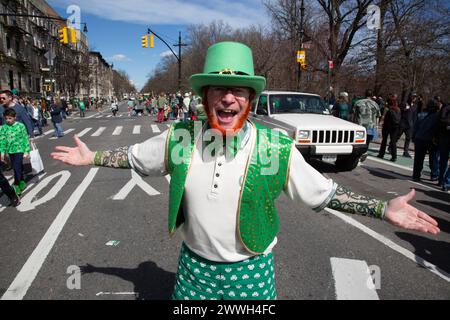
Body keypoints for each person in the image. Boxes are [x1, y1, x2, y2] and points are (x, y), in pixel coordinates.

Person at [51, 41, 439, 301]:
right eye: (218, 89)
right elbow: (136, 157)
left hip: (251, 273)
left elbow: (325, 193)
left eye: (238, 89)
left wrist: (380, 209)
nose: (228, 97)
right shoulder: (181, 138)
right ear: (204, 98)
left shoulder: (275, 148)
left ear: (251, 99)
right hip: (193, 272)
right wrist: (94, 158)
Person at [0, 108, 31, 196]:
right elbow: (2, 140)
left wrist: (27, 151)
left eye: (10, 118)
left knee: (16, 167)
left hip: (19, 149)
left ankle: (16, 184)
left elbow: (25, 138)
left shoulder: (20, 126)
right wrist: (2, 152)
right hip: (10, 150)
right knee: (17, 166)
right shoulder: (4, 128)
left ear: (15, 117)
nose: (8, 120)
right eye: (6, 118)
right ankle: (21, 181)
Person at [411, 100, 440, 182]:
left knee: (418, 159)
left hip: (419, 138)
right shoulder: (436, 116)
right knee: (433, 158)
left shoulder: (421, 115)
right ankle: (434, 175)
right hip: (430, 139)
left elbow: (415, 127)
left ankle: (416, 175)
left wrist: (413, 137)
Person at [377, 95, 401, 161]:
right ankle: (394, 156)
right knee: (393, 142)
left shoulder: (388, 109)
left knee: (384, 140)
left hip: (387, 127)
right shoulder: (398, 109)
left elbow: (385, 118)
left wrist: (381, 124)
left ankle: (381, 154)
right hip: (395, 127)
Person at [398, 93, 418, 158]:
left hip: (409, 125)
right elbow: (399, 111)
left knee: (408, 138)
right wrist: (404, 109)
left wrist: (414, 125)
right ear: (410, 97)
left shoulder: (415, 106)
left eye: (415, 97)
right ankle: (390, 146)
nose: (414, 98)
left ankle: (405, 152)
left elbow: (414, 117)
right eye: (413, 97)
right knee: (398, 136)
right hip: (402, 123)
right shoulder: (404, 103)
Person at [436, 102, 450, 187]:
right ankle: (445, 181)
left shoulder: (446, 107)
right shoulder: (447, 108)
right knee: (443, 160)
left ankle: (442, 180)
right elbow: (441, 120)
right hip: (445, 136)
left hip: (444, 136)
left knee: (443, 160)